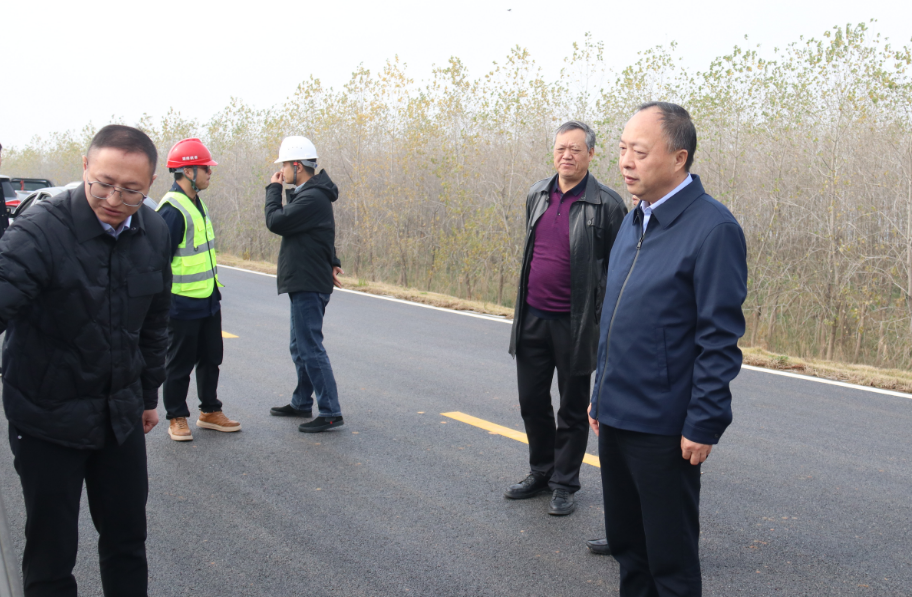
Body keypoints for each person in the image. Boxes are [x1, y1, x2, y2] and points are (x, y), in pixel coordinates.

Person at [0, 125, 172, 596]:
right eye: (103, 183)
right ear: (84, 169)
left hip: (118, 416)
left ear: (150, 184)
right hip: (46, 417)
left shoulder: (155, 233)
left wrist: (147, 396)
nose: (114, 198)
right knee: (52, 552)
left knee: (126, 542)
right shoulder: (40, 232)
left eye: (131, 190)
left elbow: (155, 324)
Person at [588, 102, 748, 596]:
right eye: (621, 150)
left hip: (663, 426)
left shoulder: (712, 228)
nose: (625, 162)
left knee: (669, 561)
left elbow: (718, 339)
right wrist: (601, 390)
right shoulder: (635, 220)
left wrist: (704, 421)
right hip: (616, 415)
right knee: (628, 550)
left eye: (639, 151)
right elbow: (615, 316)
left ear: (679, 158)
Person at [505, 120, 627, 517]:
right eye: (561, 148)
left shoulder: (607, 204)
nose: (567, 155)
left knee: (572, 409)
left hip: (577, 325)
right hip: (533, 317)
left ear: (591, 154)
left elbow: (618, 268)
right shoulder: (536, 194)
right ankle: (540, 471)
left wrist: (605, 321)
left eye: (576, 149)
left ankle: (564, 483)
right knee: (531, 402)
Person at [156, 138, 240, 441]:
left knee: (211, 357)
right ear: (188, 171)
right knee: (179, 363)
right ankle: (177, 416)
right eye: (206, 168)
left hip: (207, 298)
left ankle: (209, 411)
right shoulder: (172, 209)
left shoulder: (196, 203)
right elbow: (158, 262)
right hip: (181, 302)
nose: (210, 173)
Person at [265, 136, 345, 433]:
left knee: (310, 347)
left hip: (309, 281)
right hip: (306, 278)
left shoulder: (312, 197)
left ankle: (331, 411)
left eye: (284, 165)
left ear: (297, 166)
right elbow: (320, 233)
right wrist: (332, 259)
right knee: (300, 346)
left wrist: (273, 190)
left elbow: (276, 221)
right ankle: (301, 401)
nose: (282, 171)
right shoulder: (309, 194)